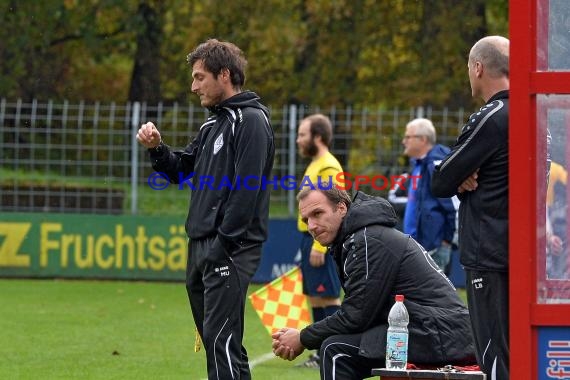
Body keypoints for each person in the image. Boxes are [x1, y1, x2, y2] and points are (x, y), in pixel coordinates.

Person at [136, 39, 275, 379]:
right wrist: (158, 149)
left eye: (200, 77)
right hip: (200, 245)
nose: (193, 86)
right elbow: (182, 170)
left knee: (221, 342)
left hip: (229, 247)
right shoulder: (213, 124)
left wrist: (223, 246)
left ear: (224, 75)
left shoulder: (251, 120)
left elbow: (247, 190)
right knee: (217, 341)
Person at [272, 186, 476, 379]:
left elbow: (355, 316)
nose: (311, 226)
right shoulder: (358, 237)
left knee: (335, 351)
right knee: (337, 344)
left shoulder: (366, 240)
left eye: (317, 214)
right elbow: (361, 313)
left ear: (342, 208)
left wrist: (303, 337)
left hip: (440, 334)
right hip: (429, 329)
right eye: (306, 219)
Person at [431, 35, 510, 380]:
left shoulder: (492, 116)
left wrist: (458, 175)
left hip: (488, 253)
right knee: (521, 350)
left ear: (478, 68)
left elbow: (441, 180)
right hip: (526, 252)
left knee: (494, 351)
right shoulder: (534, 111)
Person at [294, 114, 343, 368]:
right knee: (315, 296)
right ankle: (319, 352)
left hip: (319, 241)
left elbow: (332, 208)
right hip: (308, 236)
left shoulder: (328, 166)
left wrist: (318, 245)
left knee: (329, 296)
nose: (297, 140)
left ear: (318, 137)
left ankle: (333, 350)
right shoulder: (316, 163)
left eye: (302, 134)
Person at [401, 118, 456, 273]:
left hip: (433, 247)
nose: (404, 141)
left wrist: (446, 241)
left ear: (422, 140)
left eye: (408, 137)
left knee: (432, 296)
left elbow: (452, 206)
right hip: (417, 246)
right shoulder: (418, 165)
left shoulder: (436, 165)